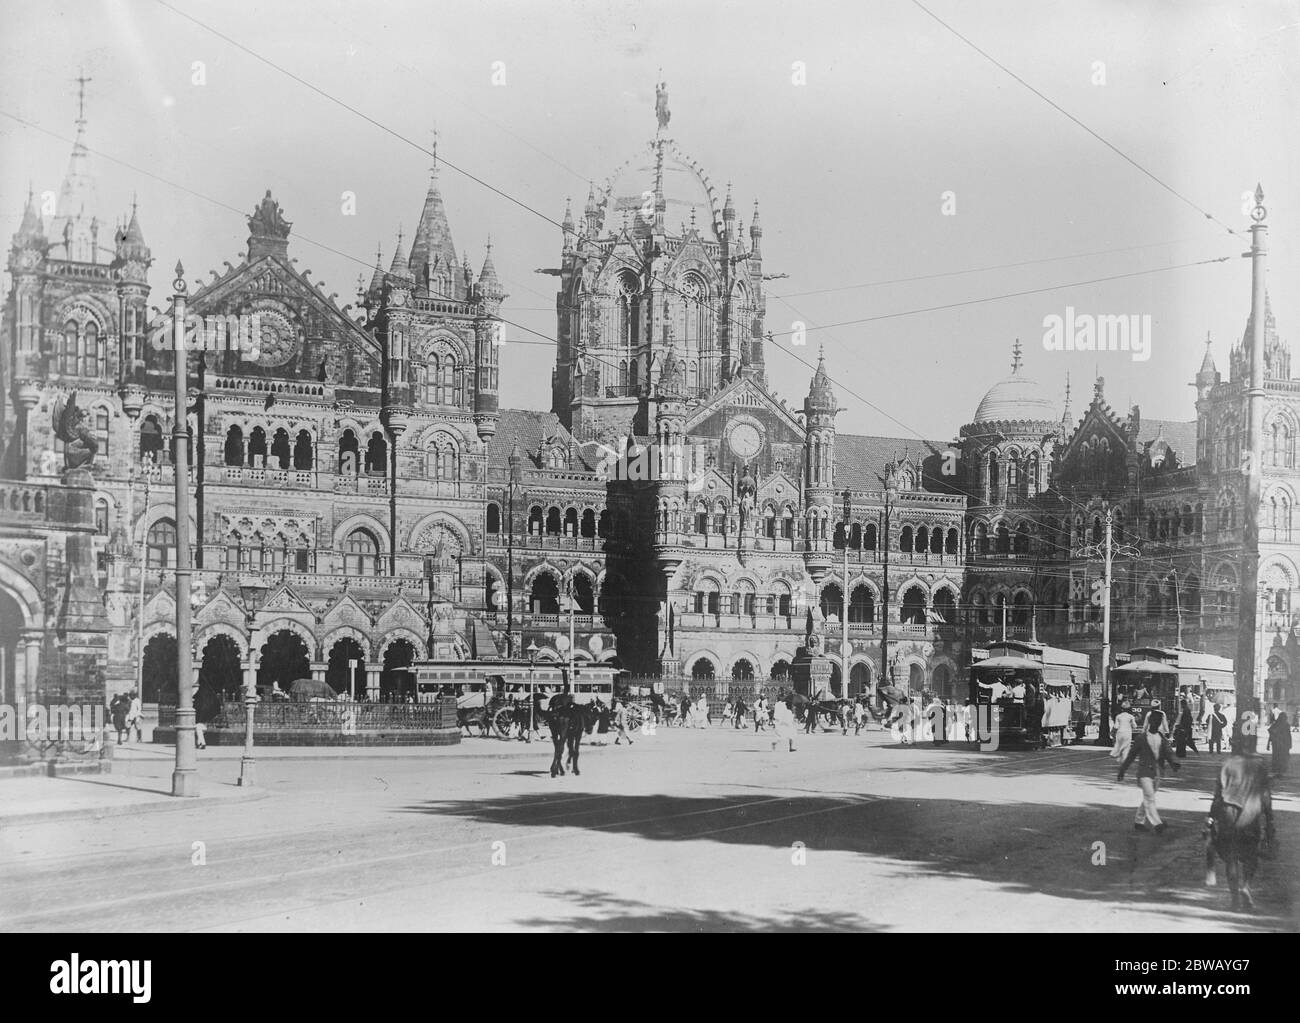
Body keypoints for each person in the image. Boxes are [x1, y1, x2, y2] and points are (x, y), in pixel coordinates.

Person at [1118, 713, 1181, 832]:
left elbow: (1168, 752)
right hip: (1144, 772)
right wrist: (1122, 770)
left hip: (1157, 772)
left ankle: (1138, 821)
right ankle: (1157, 824)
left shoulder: (1162, 738)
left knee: (1148, 797)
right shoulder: (1141, 738)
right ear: (1150, 721)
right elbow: (1131, 755)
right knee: (1150, 797)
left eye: (1159, 721)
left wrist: (1174, 763)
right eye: (1154, 720)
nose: (1156, 723)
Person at [1173, 690, 1199, 758]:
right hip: (1186, 728)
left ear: (1183, 704)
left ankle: (1181, 754)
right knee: (1187, 741)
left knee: (1185, 741)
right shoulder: (1187, 710)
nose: (1181, 706)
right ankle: (1183, 753)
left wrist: (1181, 727)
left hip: (1185, 728)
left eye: (1181, 704)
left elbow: (1186, 721)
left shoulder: (1186, 711)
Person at [1267, 707, 1291, 776]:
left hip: (1276, 744)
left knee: (1276, 756)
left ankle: (1277, 769)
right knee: (1282, 757)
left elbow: (1270, 733)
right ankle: (1281, 769)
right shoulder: (1286, 725)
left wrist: (1268, 744)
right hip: (1283, 744)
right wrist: (1289, 744)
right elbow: (1289, 736)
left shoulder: (1276, 724)